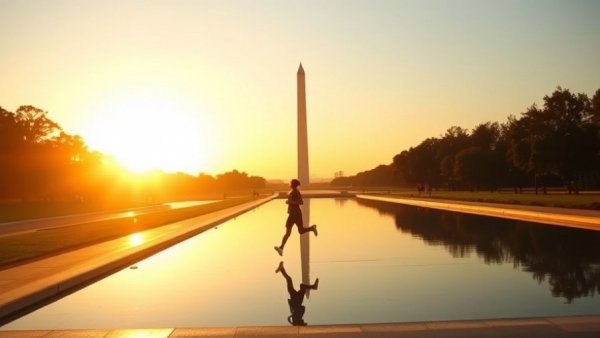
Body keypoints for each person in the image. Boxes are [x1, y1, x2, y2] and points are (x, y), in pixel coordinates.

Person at [274, 179, 317, 256]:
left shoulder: (296, 192)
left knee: (297, 231)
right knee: (290, 232)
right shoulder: (292, 191)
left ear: (292, 184)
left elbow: (301, 202)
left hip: (296, 214)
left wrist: (290, 202)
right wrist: (290, 202)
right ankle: (281, 248)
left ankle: (312, 228)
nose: (289, 184)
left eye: (290, 183)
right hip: (292, 214)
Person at [275, 261, 319, 326]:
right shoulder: (297, 316)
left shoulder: (295, 317)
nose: (303, 320)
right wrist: (294, 318)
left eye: (302, 321)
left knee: (289, 280)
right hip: (296, 300)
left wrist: (292, 318)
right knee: (301, 286)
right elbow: (300, 309)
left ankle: (282, 269)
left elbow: (290, 318)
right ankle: (314, 287)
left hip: (294, 298)